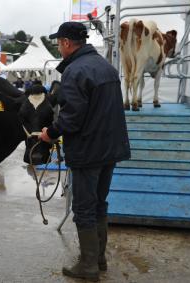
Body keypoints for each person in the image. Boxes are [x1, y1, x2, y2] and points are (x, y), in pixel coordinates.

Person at [40, 22, 130, 281]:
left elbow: (72, 118)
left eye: (59, 42)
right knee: (99, 203)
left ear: (67, 42)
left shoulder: (75, 71)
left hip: (88, 151)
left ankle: (88, 265)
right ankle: (99, 258)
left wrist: (51, 133)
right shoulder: (107, 67)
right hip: (111, 150)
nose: (58, 46)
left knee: (83, 208)